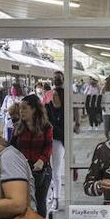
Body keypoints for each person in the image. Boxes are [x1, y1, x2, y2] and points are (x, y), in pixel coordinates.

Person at [11, 94, 53, 218]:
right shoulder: (18, 127)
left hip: (41, 172)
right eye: (20, 108)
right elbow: (11, 147)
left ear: (34, 109)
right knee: (23, 203)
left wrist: (42, 160)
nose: (21, 111)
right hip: (21, 171)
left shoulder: (46, 127)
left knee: (40, 202)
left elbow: (48, 147)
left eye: (24, 108)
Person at [44, 71, 67, 211]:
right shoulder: (47, 107)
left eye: (57, 95)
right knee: (49, 170)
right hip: (49, 140)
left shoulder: (66, 109)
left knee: (56, 171)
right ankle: (51, 195)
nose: (54, 96)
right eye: (53, 95)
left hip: (60, 141)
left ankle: (57, 198)